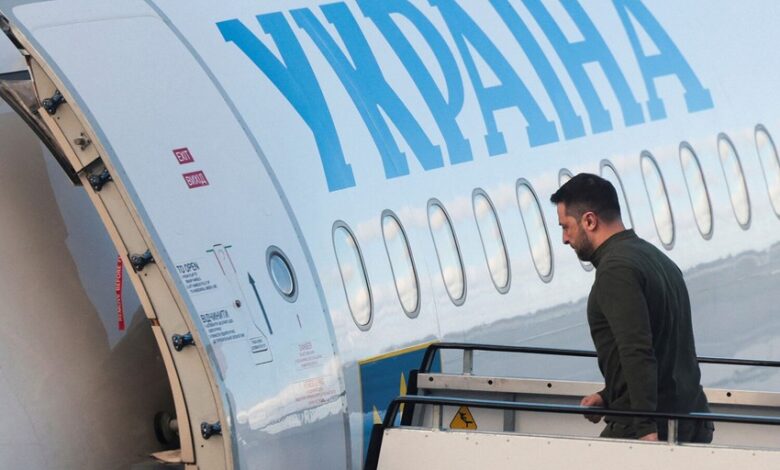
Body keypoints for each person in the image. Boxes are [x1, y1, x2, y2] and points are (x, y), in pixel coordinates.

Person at [550, 173, 713, 443]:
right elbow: (665, 348)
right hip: (692, 418)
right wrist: (609, 396)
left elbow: (637, 351)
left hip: (649, 426)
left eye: (566, 227)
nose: (565, 239)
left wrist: (644, 429)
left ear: (589, 221)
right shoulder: (657, 259)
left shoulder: (615, 271)